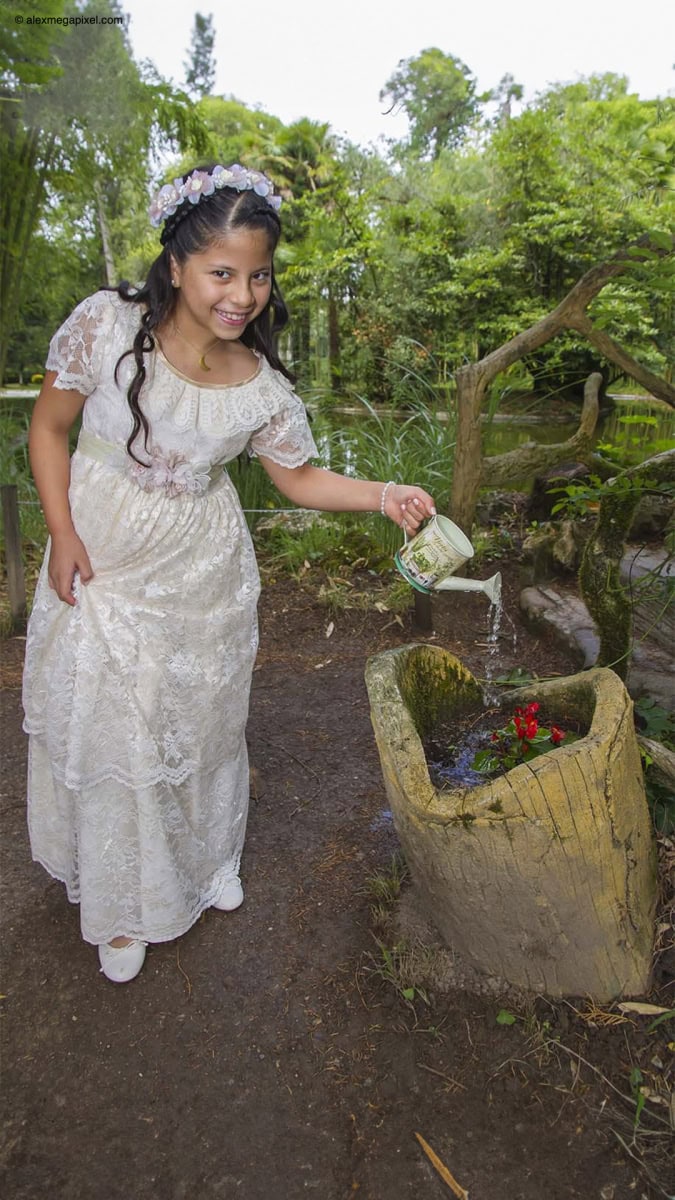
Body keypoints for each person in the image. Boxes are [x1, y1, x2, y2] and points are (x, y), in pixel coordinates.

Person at [22, 163, 436, 984]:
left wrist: (385, 494)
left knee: (198, 723)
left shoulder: (259, 384)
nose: (241, 295)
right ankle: (124, 905)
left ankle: (206, 863)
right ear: (176, 264)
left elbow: (299, 479)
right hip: (103, 554)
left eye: (258, 276)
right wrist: (61, 531)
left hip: (200, 569)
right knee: (113, 725)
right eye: (221, 272)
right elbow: (47, 428)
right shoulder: (107, 327)